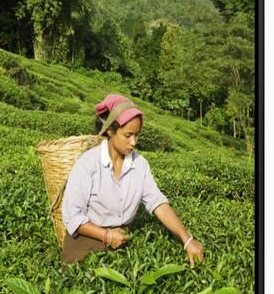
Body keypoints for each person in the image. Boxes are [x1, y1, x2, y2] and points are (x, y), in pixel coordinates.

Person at [61, 94, 204, 267]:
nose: (133, 142)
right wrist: (106, 235)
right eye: (128, 135)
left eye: (137, 135)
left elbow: (158, 203)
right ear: (109, 131)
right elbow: (73, 216)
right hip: (86, 237)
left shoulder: (140, 165)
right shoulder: (87, 163)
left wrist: (187, 240)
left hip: (121, 237)